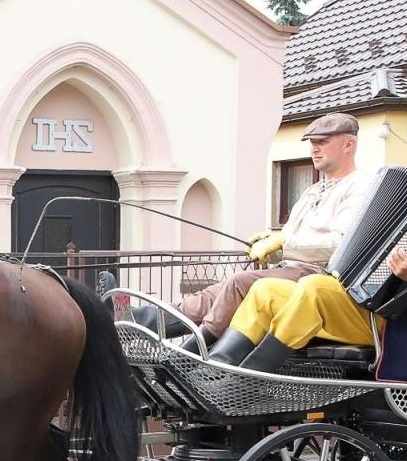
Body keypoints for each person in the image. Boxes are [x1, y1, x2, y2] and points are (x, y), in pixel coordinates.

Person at [214, 115, 407, 386]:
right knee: (266, 291)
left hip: (406, 325)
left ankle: (247, 381)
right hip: (363, 304)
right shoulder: (405, 192)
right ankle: (216, 373)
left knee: (315, 288)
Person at [137, 113, 367, 361]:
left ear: (348, 145)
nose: (314, 149)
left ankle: (187, 356)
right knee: (217, 292)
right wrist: (273, 243)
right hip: (292, 269)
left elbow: (342, 246)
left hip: (318, 276)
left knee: (238, 283)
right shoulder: (312, 191)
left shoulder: (359, 188)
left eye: (322, 142)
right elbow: (290, 240)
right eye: (312, 143)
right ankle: (138, 318)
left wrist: (283, 243)